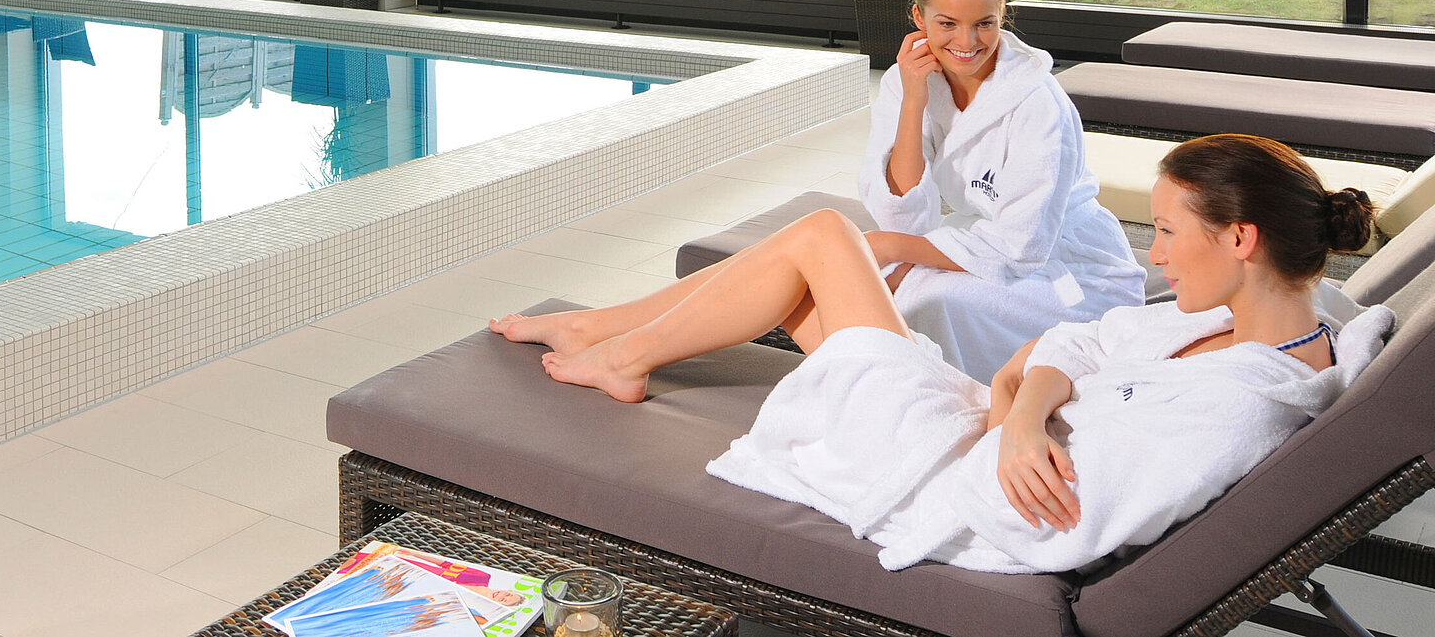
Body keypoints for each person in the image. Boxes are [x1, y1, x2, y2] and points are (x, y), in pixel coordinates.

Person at [491, 134, 1391, 574]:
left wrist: (1010, 412)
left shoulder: (1238, 403)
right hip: (983, 426)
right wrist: (1025, 402)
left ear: (1240, 239)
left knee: (819, 241)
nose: (1152, 254)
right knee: (817, 257)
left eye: (1162, 232)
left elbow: (1053, 519)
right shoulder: (1292, 327)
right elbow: (1077, 339)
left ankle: (613, 342)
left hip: (941, 474)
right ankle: (610, 332)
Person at [857, 0, 1143, 379]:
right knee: (881, 289)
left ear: (1002, 15)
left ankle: (954, 411)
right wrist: (912, 103)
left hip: (1071, 274)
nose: (967, 43)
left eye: (984, 24)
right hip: (984, 242)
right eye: (947, 23)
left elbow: (1022, 246)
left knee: (925, 301)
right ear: (918, 18)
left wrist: (891, 247)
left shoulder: (1038, 102)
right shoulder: (907, 78)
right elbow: (902, 217)